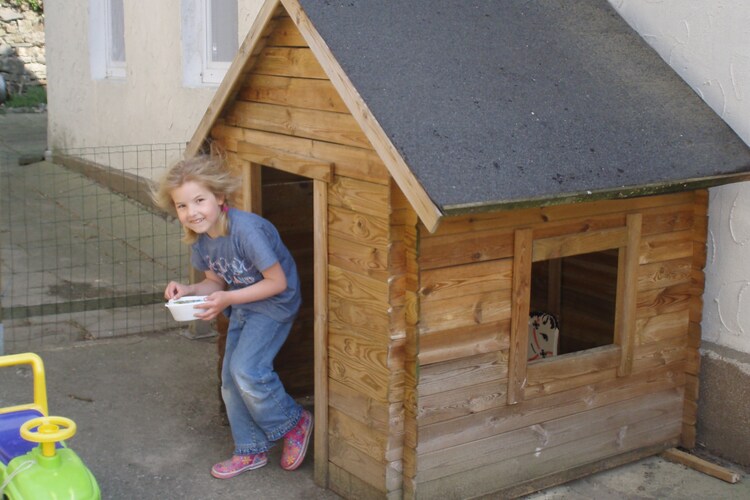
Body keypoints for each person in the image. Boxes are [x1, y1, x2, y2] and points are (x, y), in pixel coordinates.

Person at [153, 154, 312, 479]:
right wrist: (188, 289)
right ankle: (250, 449)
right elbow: (216, 281)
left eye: (199, 200)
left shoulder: (246, 230)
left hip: (275, 304)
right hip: (242, 303)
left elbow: (277, 282)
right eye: (182, 206)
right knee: (229, 381)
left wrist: (226, 298)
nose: (192, 212)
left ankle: (293, 422)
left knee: (247, 370)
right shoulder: (200, 239)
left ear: (220, 197)